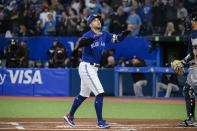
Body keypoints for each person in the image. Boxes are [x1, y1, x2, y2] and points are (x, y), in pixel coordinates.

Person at [63, 14, 130, 128]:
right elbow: (81, 43)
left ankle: (69, 115)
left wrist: (123, 35)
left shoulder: (104, 34)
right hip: (87, 66)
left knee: (83, 95)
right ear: (90, 24)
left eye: (98, 19)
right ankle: (100, 121)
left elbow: (116, 39)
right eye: (94, 20)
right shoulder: (87, 35)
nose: (98, 21)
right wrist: (90, 39)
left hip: (94, 68)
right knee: (100, 92)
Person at [176, 12, 197, 127]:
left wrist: (183, 62)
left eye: (189, 20)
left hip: (196, 66)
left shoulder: (196, 34)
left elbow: (194, 54)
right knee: (188, 90)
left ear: (195, 20)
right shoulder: (192, 33)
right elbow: (185, 41)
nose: (187, 21)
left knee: (188, 90)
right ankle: (191, 119)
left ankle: (191, 119)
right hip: (193, 66)